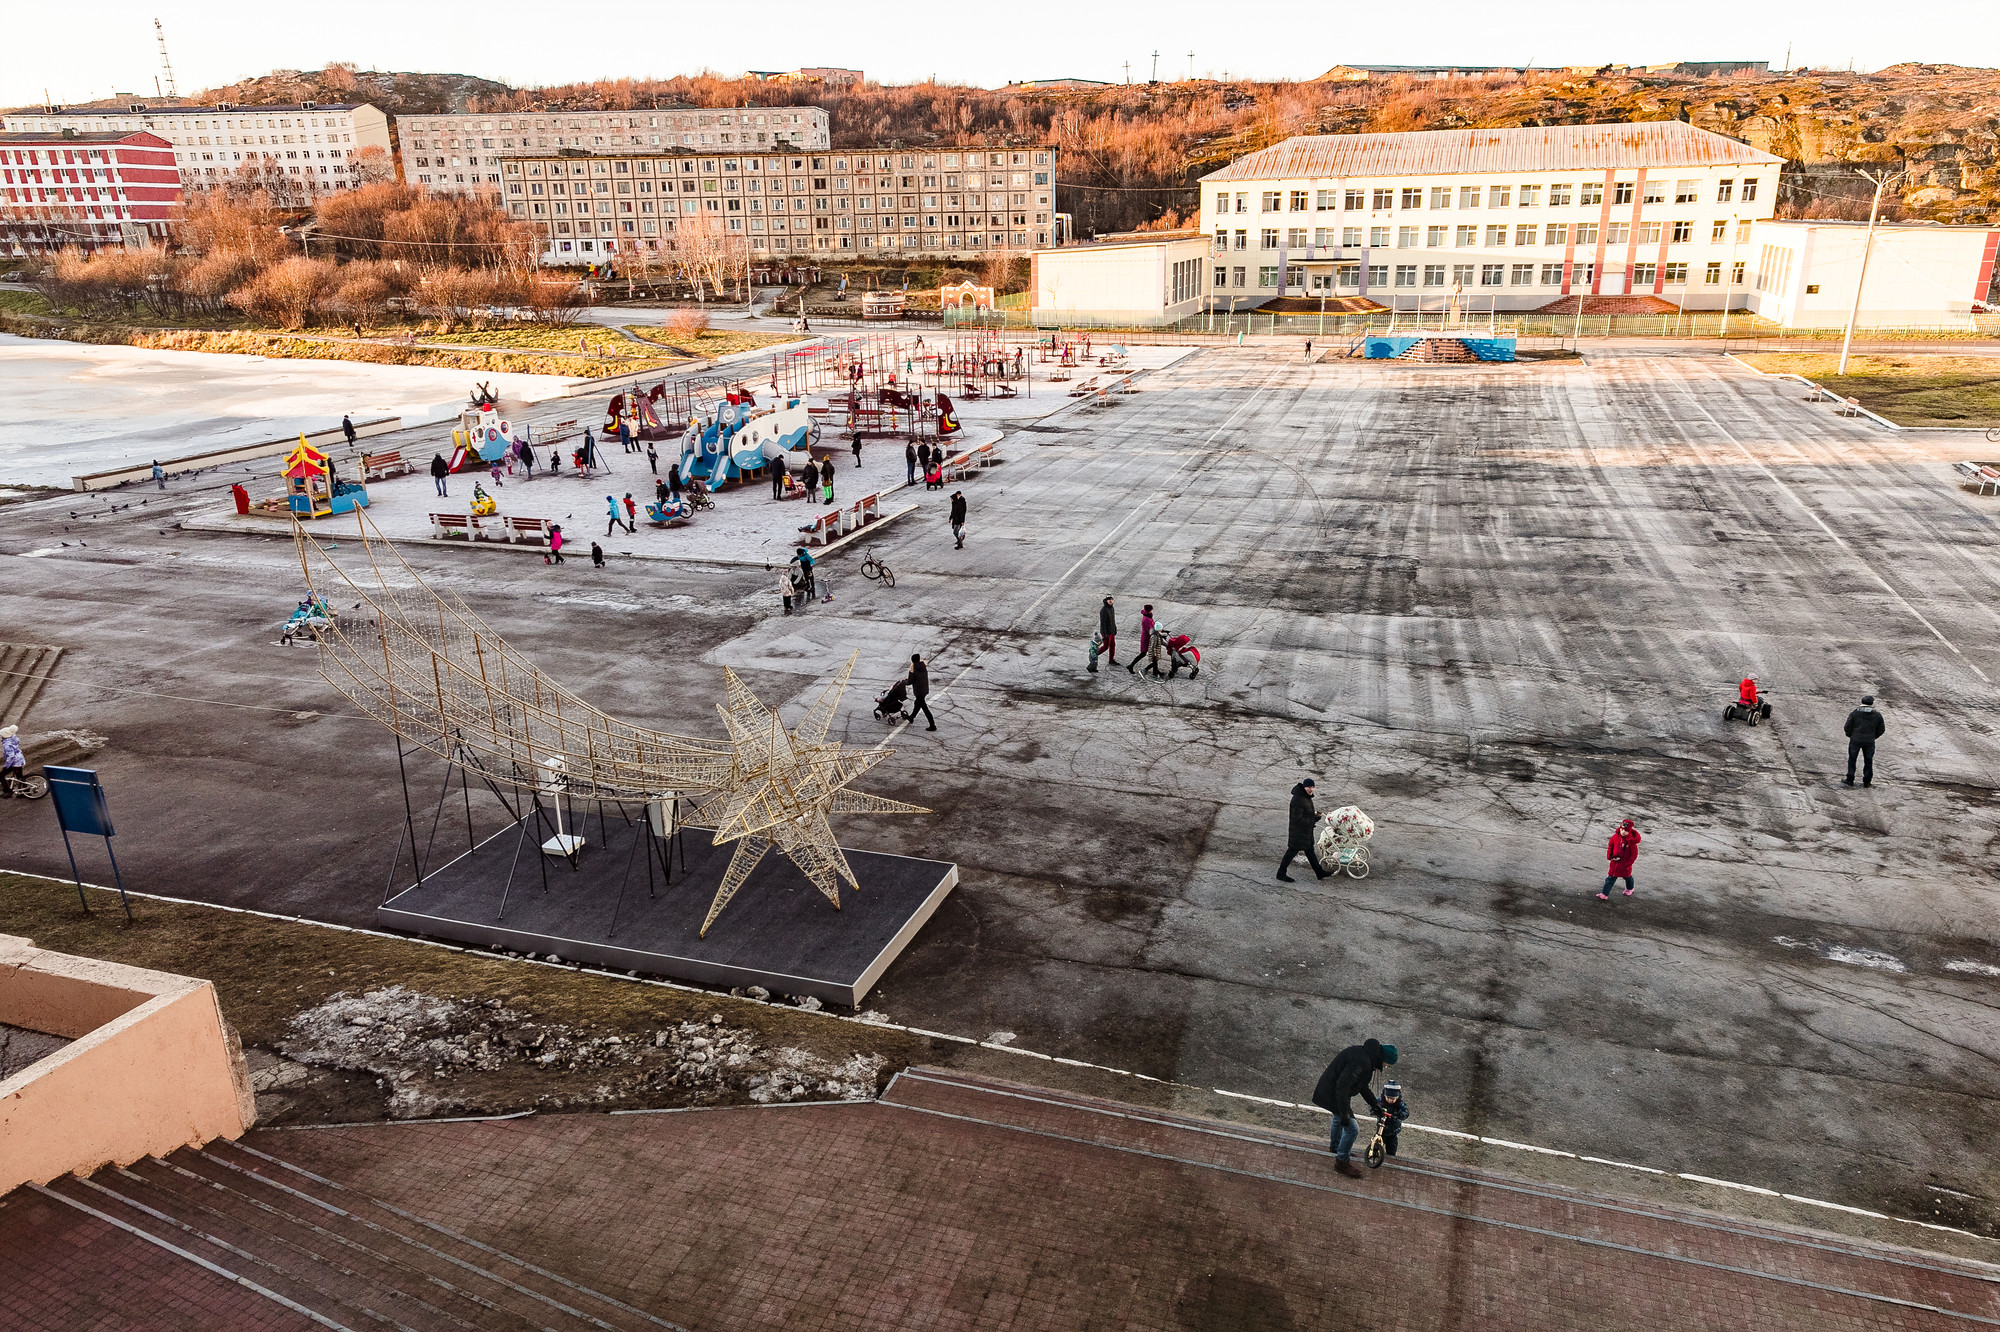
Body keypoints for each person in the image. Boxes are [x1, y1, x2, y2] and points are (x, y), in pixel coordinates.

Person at [1310, 1038, 1397, 1178]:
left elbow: (1361, 1085)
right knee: (1352, 1129)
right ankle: (1341, 1161)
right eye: (1388, 1064)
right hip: (1334, 1093)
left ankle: (1336, 1147)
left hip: (1330, 1089)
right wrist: (1345, 1112)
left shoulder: (1366, 1057)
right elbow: (1342, 1086)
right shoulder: (1363, 1062)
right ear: (1383, 1059)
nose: (1386, 1067)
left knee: (1337, 1119)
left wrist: (1375, 1104)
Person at [1278, 778, 1332, 882]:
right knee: (1291, 853)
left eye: (1312, 787)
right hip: (1298, 833)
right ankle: (1281, 873)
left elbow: (1305, 814)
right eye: (1308, 787)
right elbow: (1297, 819)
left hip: (1305, 832)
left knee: (1310, 852)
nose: (1311, 789)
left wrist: (1313, 816)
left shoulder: (1305, 797)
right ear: (1304, 787)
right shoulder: (1298, 799)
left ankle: (1319, 872)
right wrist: (1313, 820)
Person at [1844, 694, 1886, 787]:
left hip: (1855, 739)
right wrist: (1873, 737)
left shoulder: (1855, 713)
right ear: (1872, 703)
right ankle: (1867, 781)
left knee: (1852, 759)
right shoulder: (1877, 715)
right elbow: (1881, 729)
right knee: (1868, 760)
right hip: (1869, 741)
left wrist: (1850, 735)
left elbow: (1847, 726)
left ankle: (1850, 779)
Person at [1597, 818, 1641, 900]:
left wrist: (1628, 864)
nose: (1623, 832)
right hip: (1615, 863)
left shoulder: (1631, 843)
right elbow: (1611, 846)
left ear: (1629, 831)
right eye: (1622, 830)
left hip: (1624, 865)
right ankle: (1604, 894)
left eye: (1625, 831)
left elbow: (1634, 854)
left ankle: (1630, 888)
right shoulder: (1615, 838)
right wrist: (1609, 856)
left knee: (1627, 877)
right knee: (1610, 878)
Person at [1376, 1081, 1409, 1160]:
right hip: (1381, 1129)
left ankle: (1391, 1159)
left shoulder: (1400, 1104)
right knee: (1377, 1144)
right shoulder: (1380, 1101)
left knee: (1392, 1147)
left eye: (1393, 1099)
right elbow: (1372, 1106)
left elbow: (1406, 1112)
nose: (1391, 1100)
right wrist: (1376, 1110)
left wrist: (1400, 1115)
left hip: (1393, 1130)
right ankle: (1375, 1154)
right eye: (1388, 1098)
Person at [905, 653, 936, 731]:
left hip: (919, 691)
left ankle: (932, 725)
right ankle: (911, 717)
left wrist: (904, 681)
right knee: (917, 704)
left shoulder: (914, 669)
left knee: (925, 708)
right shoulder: (923, 666)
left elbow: (910, 681)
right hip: (924, 689)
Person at [1126, 604, 1155, 675]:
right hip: (1146, 638)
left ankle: (1155, 669)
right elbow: (1150, 630)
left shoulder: (1148, 617)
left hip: (1147, 638)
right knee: (1144, 653)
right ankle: (1131, 665)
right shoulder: (1147, 619)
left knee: (1147, 653)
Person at [0, 724, 24, 796]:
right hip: (20, 759)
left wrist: (6, 766)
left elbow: (11, 756)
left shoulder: (7, 744)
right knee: (19, 776)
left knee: (1, 775)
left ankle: (8, 791)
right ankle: (24, 791)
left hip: (15, 762)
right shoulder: (13, 738)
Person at [1097, 596, 1118, 669]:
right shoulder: (1104, 610)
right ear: (1106, 600)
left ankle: (1111, 660)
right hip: (1106, 632)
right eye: (1109, 600)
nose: (1110, 601)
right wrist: (1104, 634)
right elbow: (1103, 623)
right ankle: (1094, 654)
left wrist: (1115, 629)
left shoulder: (1112, 608)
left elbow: (1113, 620)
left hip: (1111, 631)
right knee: (1106, 646)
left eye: (1112, 599)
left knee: (1113, 645)